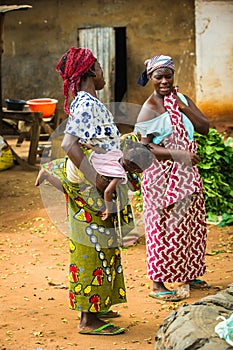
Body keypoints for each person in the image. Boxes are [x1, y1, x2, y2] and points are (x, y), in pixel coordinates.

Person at [36, 46, 142, 336]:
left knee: (104, 245)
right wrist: (96, 178)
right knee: (92, 248)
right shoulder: (85, 103)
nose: (103, 71)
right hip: (92, 185)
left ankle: (99, 304)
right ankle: (88, 319)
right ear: (91, 71)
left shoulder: (91, 102)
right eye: (99, 66)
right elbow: (70, 144)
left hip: (100, 179)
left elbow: (97, 140)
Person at [134, 54, 210, 301]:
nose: (164, 81)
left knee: (188, 225)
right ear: (151, 79)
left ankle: (189, 272)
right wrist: (179, 154)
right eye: (159, 77)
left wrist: (182, 107)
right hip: (160, 176)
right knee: (162, 226)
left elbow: (204, 128)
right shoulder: (149, 109)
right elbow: (144, 149)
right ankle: (157, 284)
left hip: (186, 174)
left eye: (168, 76)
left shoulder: (182, 98)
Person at [66, 139, 154, 220]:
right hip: (89, 175)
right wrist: (109, 209)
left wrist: (86, 144)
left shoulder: (117, 153)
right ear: (136, 170)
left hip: (91, 159)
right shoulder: (119, 174)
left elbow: (98, 150)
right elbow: (107, 192)